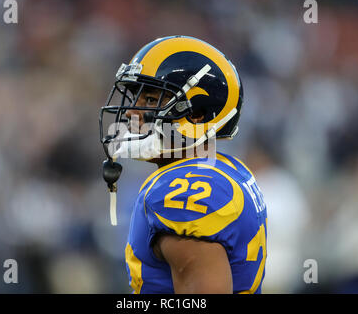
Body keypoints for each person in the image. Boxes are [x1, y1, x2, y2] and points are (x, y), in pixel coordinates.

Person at [99, 35, 267, 294]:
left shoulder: (182, 193)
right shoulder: (223, 169)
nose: (132, 112)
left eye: (152, 100)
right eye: (136, 97)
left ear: (197, 115)